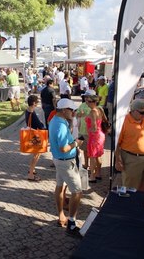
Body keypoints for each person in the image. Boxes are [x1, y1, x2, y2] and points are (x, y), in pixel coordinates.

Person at [49, 98, 84, 235]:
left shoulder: (56, 120)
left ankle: (61, 216)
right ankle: (72, 222)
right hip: (65, 161)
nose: (73, 112)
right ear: (64, 110)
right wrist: (76, 143)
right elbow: (64, 148)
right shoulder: (61, 125)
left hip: (59, 160)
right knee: (77, 192)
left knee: (60, 186)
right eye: (72, 110)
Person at [115, 99, 144, 191]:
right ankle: (130, 205)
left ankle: (139, 203)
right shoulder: (123, 122)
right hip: (133, 159)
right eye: (141, 112)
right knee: (130, 188)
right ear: (133, 111)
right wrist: (118, 160)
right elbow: (117, 143)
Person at [25, 95, 46, 182]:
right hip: (35, 135)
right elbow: (38, 125)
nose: (38, 104)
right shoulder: (32, 112)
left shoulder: (27, 110)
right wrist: (44, 127)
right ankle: (30, 174)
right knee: (37, 154)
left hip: (32, 133)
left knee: (36, 154)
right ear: (34, 103)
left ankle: (32, 170)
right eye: (37, 102)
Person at [85, 94, 106, 182]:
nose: (87, 103)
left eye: (89, 101)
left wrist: (88, 129)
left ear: (94, 102)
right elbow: (104, 120)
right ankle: (98, 173)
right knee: (98, 155)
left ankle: (92, 176)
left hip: (94, 136)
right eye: (87, 101)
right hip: (100, 135)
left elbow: (94, 126)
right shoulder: (99, 109)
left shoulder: (93, 111)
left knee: (92, 156)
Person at [77, 90, 96, 170]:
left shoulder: (96, 107)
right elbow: (77, 114)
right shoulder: (82, 105)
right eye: (85, 97)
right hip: (83, 131)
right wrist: (79, 114)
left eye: (87, 97)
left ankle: (93, 169)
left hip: (91, 133)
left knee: (92, 151)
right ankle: (86, 164)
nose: (85, 98)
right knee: (85, 149)